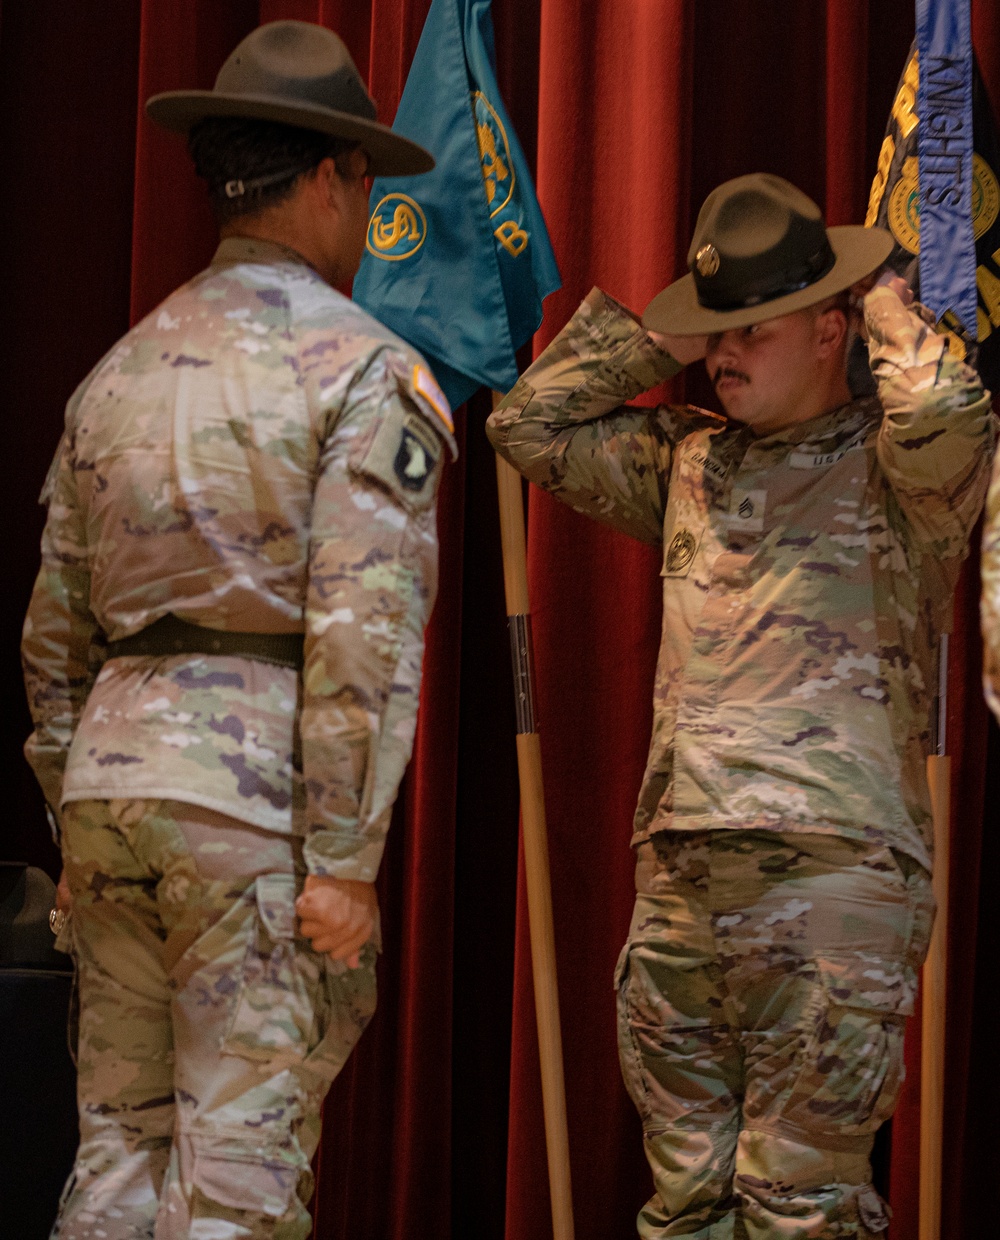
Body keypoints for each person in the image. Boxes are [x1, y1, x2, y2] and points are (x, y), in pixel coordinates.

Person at [488, 173, 994, 1238]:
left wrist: (887, 305)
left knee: (802, 1206)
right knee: (683, 1210)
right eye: (713, 331)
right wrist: (663, 341)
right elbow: (526, 424)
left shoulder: (902, 475)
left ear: (827, 329)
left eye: (749, 329)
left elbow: (951, 409)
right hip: (681, 883)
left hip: (837, 876)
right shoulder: (685, 459)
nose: (723, 354)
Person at [22, 20, 455, 1239]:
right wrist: (345, 858)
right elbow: (365, 627)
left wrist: (72, 807)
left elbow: (51, 634)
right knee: (238, 1178)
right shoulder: (364, 370)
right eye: (364, 182)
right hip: (249, 808)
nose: (368, 209)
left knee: (116, 1150)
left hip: (112, 798)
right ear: (325, 178)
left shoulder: (115, 372)